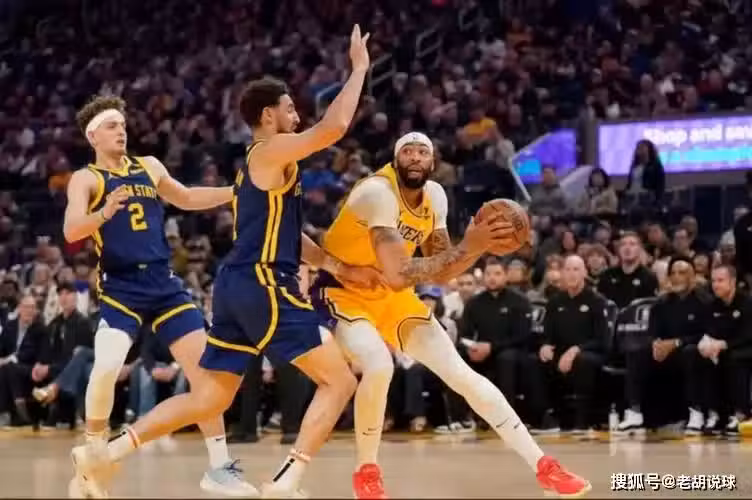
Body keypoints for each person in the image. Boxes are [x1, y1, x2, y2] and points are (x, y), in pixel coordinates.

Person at [71, 24, 380, 499]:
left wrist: (338, 268)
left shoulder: (258, 168)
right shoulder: (270, 150)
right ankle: (288, 480)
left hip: (236, 286)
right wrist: (358, 70)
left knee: (209, 397)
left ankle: (104, 454)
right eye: (290, 108)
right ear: (268, 116)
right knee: (339, 381)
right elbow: (334, 128)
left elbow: (289, 234)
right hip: (262, 282)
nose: (297, 115)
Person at [311, 131, 591, 499]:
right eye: (407, 151)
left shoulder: (436, 196)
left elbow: (442, 270)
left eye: (422, 152)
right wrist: (469, 246)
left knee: (461, 374)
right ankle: (367, 472)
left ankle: (544, 466)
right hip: (343, 289)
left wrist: (476, 247)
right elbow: (398, 273)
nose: (415, 157)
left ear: (433, 162)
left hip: (392, 297)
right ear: (395, 160)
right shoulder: (377, 193)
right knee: (379, 364)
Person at [63, 94, 257, 498]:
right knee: (107, 366)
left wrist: (236, 192)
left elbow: (185, 197)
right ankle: (94, 452)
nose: (122, 131)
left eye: (123, 124)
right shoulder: (87, 179)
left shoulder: (149, 166)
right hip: (121, 287)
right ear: (93, 135)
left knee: (207, 376)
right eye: (112, 126)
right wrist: (104, 212)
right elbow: (71, 231)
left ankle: (220, 468)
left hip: (163, 283)